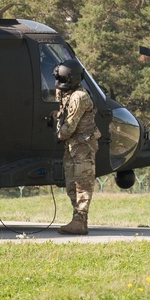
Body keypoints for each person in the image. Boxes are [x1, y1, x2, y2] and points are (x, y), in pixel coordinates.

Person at [53, 58, 101, 235]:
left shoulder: (80, 97)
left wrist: (58, 134)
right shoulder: (70, 94)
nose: (60, 84)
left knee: (82, 183)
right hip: (73, 146)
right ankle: (78, 221)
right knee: (71, 184)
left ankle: (80, 221)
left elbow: (69, 127)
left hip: (83, 146)